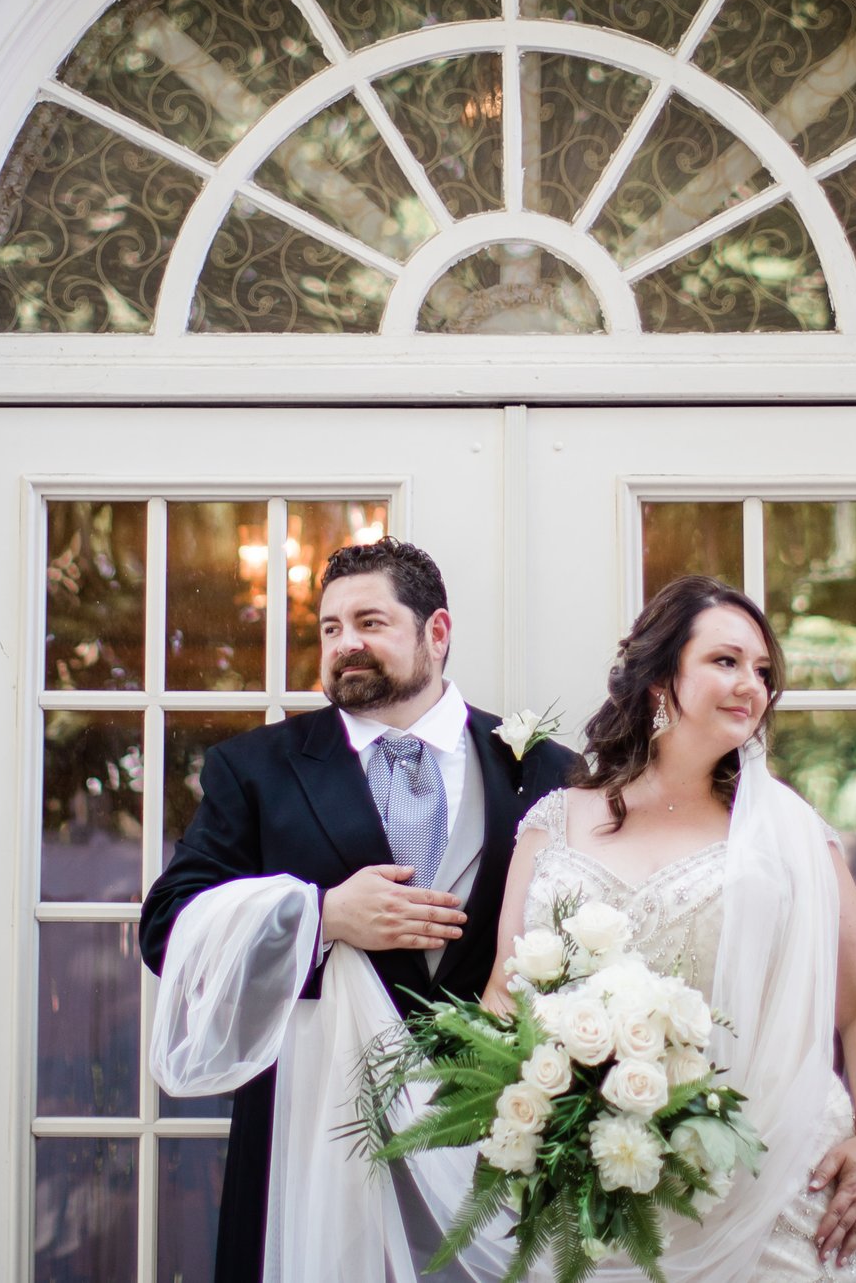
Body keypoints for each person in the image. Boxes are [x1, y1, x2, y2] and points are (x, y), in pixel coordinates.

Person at [140, 537, 580, 1283]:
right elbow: (168, 926)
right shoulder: (256, 769)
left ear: (436, 632)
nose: (346, 644)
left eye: (370, 622)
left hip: (495, 1135)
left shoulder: (543, 769)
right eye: (331, 628)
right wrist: (320, 916)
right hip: (317, 1137)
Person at [482, 575, 856, 1280]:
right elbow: (506, 987)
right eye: (726, 661)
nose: (752, 684)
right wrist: (532, 1106)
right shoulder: (556, 823)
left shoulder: (789, 836)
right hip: (600, 1181)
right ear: (659, 680)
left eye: (763, 670)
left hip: (771, 1178)